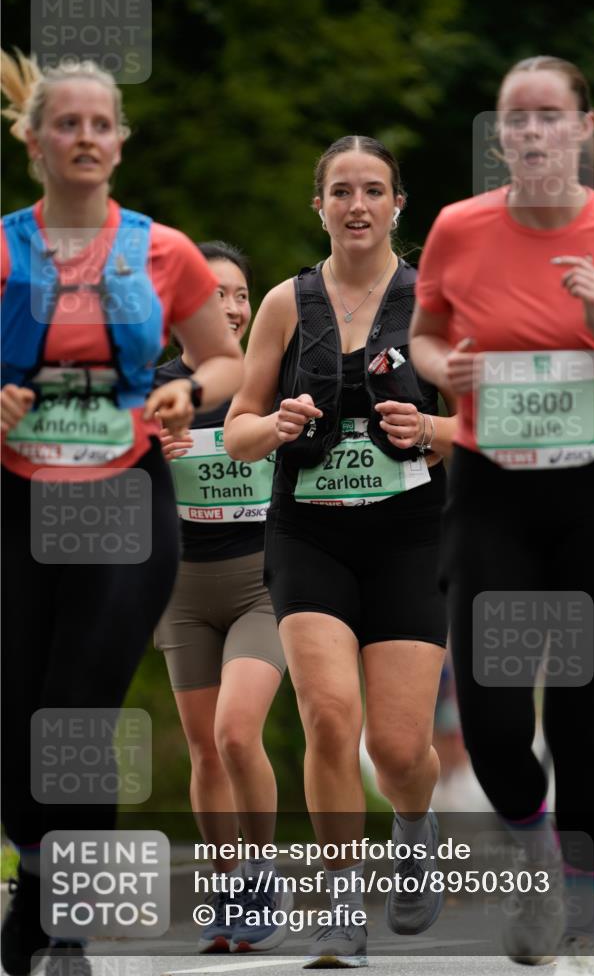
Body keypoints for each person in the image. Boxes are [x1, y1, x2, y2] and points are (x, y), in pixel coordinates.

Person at [409, 55, 594, 976]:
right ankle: (529, 847)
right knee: (486, 717)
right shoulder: (457, 228)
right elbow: (426, 334)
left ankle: (587, 937)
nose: (526, 133)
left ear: (580, 129)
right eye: (511, 120)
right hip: (493, 491)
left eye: (546, 116)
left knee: (580, 719)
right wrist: (446, 371)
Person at [0, 52, 243, 976]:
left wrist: (188, 393)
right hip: (15, 502)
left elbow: (220, 361)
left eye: (103, 125)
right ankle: (35, 868)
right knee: (16, 722)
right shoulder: (1, 247)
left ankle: (68, 928)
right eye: (68, 123)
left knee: (76, 713)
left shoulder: (162, 250)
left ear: (120, 143)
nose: (87, 138)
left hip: (123, 500)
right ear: (35, 141)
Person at [224, 135, 456, 968]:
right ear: (316, 205)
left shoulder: (433, 298)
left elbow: (483, 425)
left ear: (399, 205)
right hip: (308, 532)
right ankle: (341, 907)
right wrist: (274, 424)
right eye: (340, 191)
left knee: (397, 750)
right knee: (328, 716)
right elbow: (241, 428)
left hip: (408, 536)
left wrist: (432, 427)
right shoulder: (287, 304)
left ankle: (413, 825)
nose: (356, 205)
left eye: (373, 190)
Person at [154, 241, 291, 954]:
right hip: (179, 589)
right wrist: (150, 457)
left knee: (238, 732)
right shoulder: (158, 391)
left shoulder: (269, 381)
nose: (231, 308)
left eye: (239, 294)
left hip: (261, 583)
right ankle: (224, 885)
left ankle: (261, 875)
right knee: (206, 750)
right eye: (212, 295)